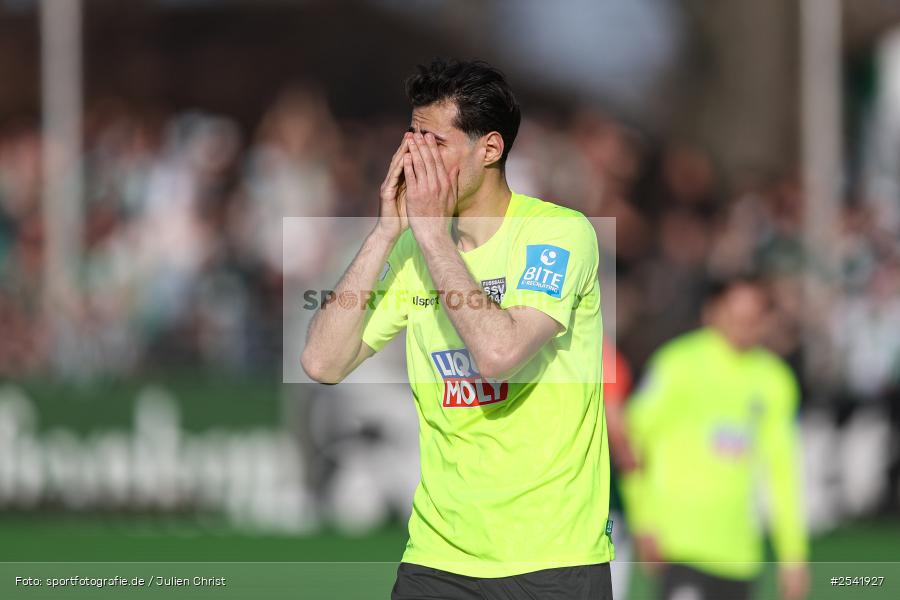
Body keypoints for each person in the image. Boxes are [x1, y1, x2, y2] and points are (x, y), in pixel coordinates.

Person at [301, 58, 614, 599]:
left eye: (436, 143)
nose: (416, 158)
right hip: (438, 558)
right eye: (412, 139)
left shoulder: (558, 234)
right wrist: (385, 233)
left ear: (488, 149)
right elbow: (322, 362)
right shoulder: (412, 247)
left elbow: (499, 355)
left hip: (553, 560)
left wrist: (430, 237)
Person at [621, 277, 810, 600]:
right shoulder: (678, 364)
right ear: (713, 312)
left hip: (739, 556)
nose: (745, 324)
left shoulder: (775, 381)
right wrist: (643, 521)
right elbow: (631, 440)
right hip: (679, 544)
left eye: (754, 316)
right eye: (736, 314)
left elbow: (782, 473)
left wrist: (793, 556)